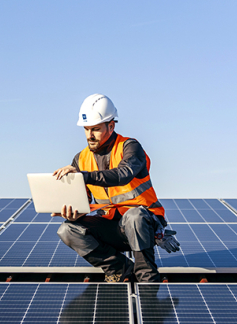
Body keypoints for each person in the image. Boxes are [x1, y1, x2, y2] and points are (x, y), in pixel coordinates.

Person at [53, 94, 180, 283]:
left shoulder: (130, 147)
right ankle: (120, 269)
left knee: (134, 217)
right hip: (113, 226)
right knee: (67, 230)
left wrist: (84, 175)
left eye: (95, 129)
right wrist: (74, 213)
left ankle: (146, 278)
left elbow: (123, 174)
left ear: (111, 126)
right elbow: (84, 202)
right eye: (86, 129)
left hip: (144, 223)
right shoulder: (80, 158)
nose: (90, 135)